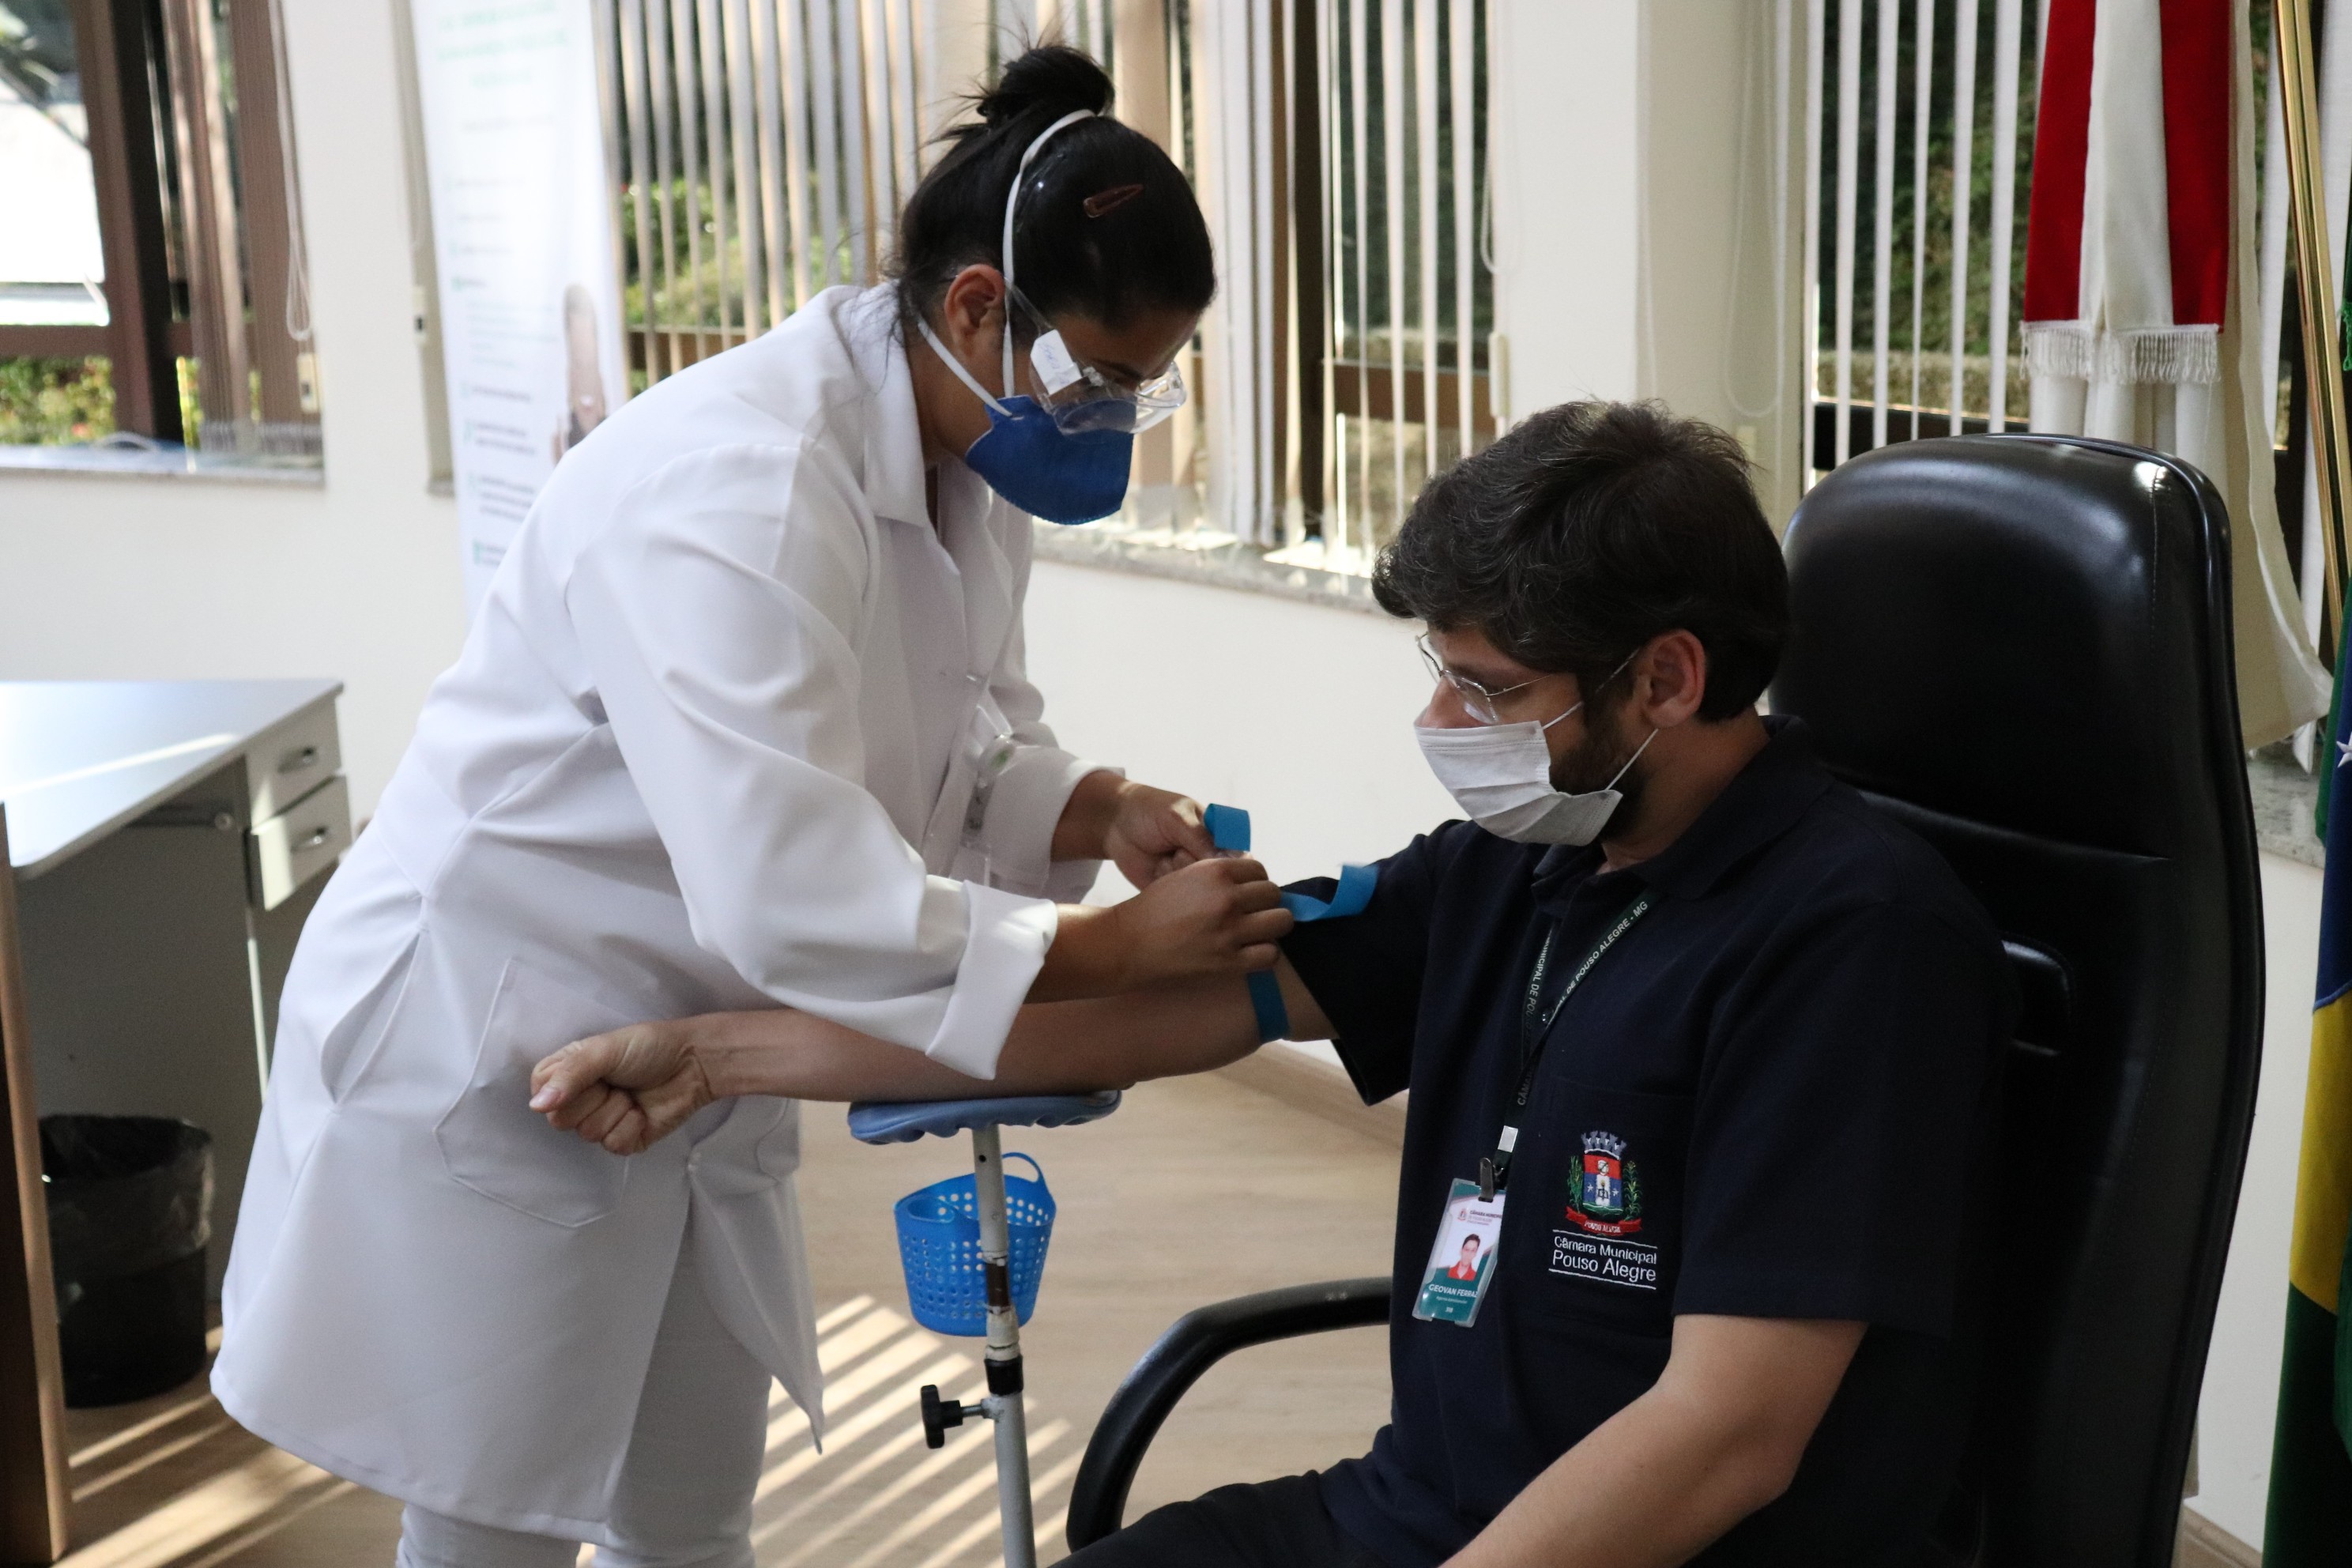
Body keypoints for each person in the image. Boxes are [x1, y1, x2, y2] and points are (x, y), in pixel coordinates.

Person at [533, 400, 2012, 1568]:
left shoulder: (1853, 942)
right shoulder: (1526, 857)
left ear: (1666, 679)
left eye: (1486, 690)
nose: (1441, 719)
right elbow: (1149, 1015)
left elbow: (1728, 1433)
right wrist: (722, 1056)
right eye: (1437, 669)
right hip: (1413, 1515)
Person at [209, 46, 1290, 1568]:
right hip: (501, 1037)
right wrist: (1120, 954)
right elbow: (794, 897)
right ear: (982, 307)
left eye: (1145, 384)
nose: (1120, 418)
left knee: (691, 1507)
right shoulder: (741, 488)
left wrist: (1092, 809)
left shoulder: (958, 456)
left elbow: (956, 746)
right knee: (497, 1522)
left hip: (694, 1048)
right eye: (1102, 378)